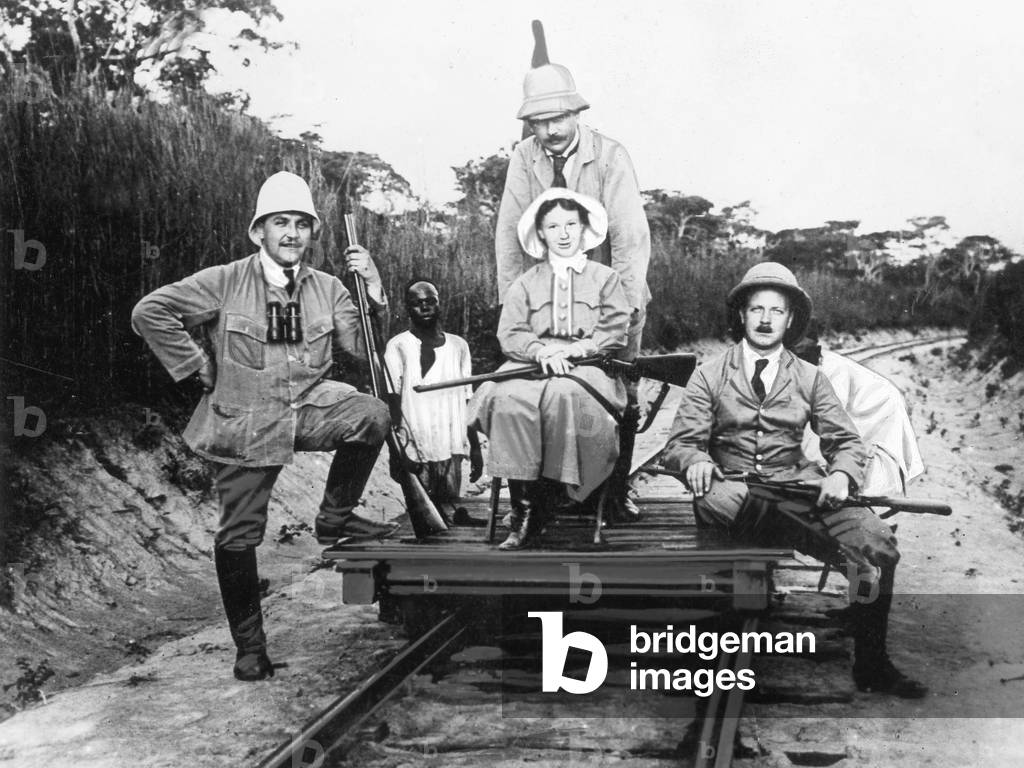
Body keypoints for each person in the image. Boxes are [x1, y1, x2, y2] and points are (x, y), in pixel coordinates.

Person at [131, 171, 397, 682]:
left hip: (308, 406)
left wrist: (374, 290)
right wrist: (195, 364)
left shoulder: (329, 288)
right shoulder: (224, 280)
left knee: (370, 414)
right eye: (280, 223)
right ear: (259, 231)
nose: (292, 233)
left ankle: (334, 520)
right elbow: (151, 311)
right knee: (239, 535)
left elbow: (365, 351)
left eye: (301, 224)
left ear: (312, 233)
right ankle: (249, 648)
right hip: (246, 422)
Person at [661, 262, 927, 698]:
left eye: (777, 311)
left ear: (790, 320)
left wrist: (840, 474)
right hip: (734, 491)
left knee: (878, 545)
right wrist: (694, 461)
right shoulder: (709, 374)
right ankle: (817, 548)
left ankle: (873, 665)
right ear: (741, 315)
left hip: (799, 491)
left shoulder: (809, 377)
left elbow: (847, 443)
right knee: (718, 501)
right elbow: (679, 445)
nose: (766, 320)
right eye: (757, 309)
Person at [494, 60, 651, 521]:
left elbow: (629, 238)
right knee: (542, 391)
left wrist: (621, 308)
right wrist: (515, 306)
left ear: (576, 113)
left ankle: (614, 491)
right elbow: (509, 233)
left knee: (619, 391)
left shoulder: (610, 155)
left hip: (609, 294)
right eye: (539, 121)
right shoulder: (524, 157)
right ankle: (548, 494)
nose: (551, 130)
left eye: (559, 118)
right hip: (547, 298)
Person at [474, 188, 631, 550]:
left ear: (583, 228)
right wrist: (539, 350)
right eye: (554, 226)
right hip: (531, 364)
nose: (563, 234)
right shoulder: (525, 282)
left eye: (571, 224)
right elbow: (511, 332)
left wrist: (578, 349)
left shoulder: (605, 278)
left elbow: (614, 329)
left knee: (564, 393)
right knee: (507, 397)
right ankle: (525, 509)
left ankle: (558, 494)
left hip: (589, 366)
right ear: (541, 233)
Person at [384, 278, 484, 525]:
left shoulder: (458, 346)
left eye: (430, 301)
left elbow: (467, 398)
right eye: (417, 303)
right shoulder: (398, 346)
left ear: (439, 304)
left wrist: (475, 447)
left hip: (450, 444)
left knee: (450, 517)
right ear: (408, 308)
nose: (425, 307)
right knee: (424, 520)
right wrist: (397, 451)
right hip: (416, 444)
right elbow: (392, 400)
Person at [794, 328, 924, 496]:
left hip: (881, 443)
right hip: (860, 433)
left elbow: (822, 430)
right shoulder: (808, 366)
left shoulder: (830, 372)